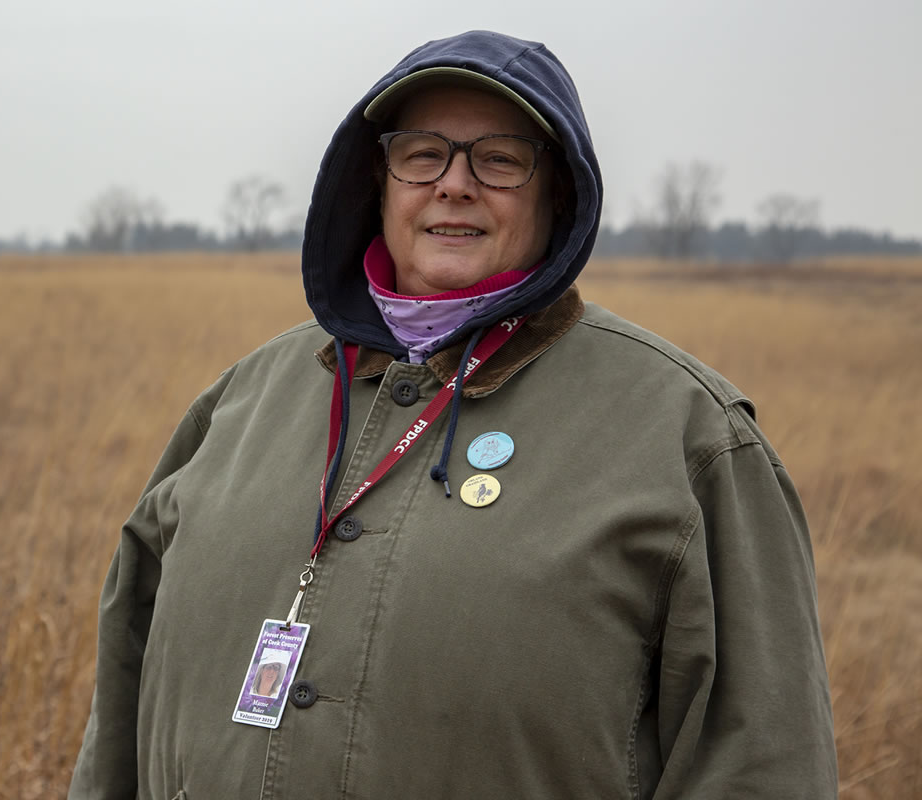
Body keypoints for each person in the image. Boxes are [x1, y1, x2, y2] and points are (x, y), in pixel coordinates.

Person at [70, 30, 837, 798]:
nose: (454, 184)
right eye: (422, 153)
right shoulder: (239, 404)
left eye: (500, 158)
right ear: (380, 181)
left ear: (559, 194)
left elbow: (761, 764)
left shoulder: (691, 438)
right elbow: (117, 721)